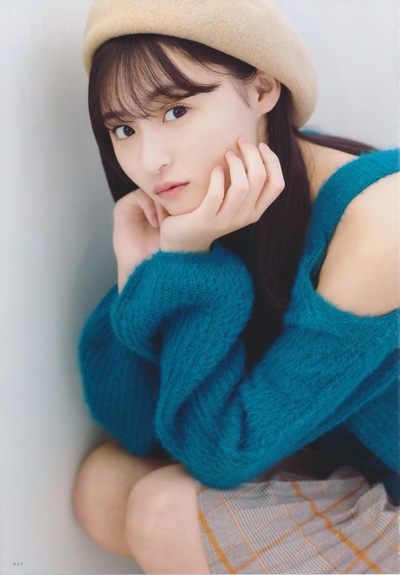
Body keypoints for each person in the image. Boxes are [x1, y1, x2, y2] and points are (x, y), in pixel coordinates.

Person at [73, 1, 399, 573]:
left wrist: (187, 265)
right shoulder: (217, 203)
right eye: (124, 128)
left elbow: (223, 453)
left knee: (164, 512)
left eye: (176, 110)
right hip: (354, 459)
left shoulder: (380, 223)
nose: (150, 160)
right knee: (104, 485)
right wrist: (144, 275)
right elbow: (133, 422)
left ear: (263, 89)